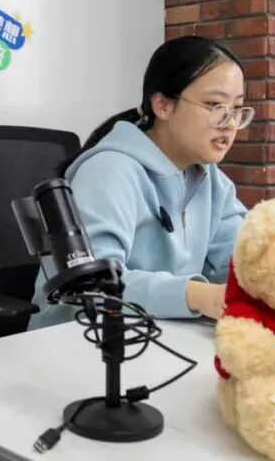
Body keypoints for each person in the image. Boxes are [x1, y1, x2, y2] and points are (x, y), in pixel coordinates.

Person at [29, 35, 252, 328]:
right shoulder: (108, 171)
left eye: (237, 109)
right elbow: (93, 288)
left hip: (159, 332)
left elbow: (243, 260)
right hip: (78, 337)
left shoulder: (211, 181)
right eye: (215, 105)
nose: (230, 123)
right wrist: (196, 295)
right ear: (163, 105)